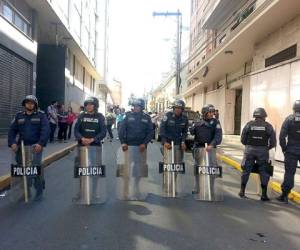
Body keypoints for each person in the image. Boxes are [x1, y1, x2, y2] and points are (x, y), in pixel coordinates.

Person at [8, 95, 50, 201]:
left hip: (35, 147)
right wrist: (12, 143)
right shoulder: (19, 116)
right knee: (22, 170)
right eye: (27, 103)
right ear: (24, 104)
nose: (29, 104)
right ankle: (26, 192)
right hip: (21, 148)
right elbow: (12, 130)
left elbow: (46, 130)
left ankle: (39, 190)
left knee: (35, 169)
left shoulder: (41, 116)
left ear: (35, 105)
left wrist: (40, 144)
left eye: (32, 103)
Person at [239, 108, 276, 201]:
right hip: (263, 151)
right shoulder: (268, 126)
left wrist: (248, 145)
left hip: (249, 150)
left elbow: (242, 139)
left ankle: (242, 191)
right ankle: (263, 195)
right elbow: (273, 142)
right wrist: (267, 148)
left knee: (246, 170)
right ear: (264, 116)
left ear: (255, 115)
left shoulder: (248, 125)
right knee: (264, 172)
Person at [190, 104, 222, 195]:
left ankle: (211, 188)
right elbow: (192, 132)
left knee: (212, 169)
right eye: (210, 112)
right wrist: (194, 125)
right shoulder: (198, 121)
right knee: (198, 168)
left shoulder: (216, 122)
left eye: (213, 112)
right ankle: (197, 187)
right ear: (204, 113)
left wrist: (212, 144)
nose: (212, 114)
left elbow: (218, 136)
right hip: (199, 148)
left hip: (210, 148)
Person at [277, 100, 300, 203]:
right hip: (292, 150)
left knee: (289, 173)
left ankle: (284, 195)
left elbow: (282, 137)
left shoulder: (289, 119)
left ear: (293, 108)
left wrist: (284, 149)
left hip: (291, 151)